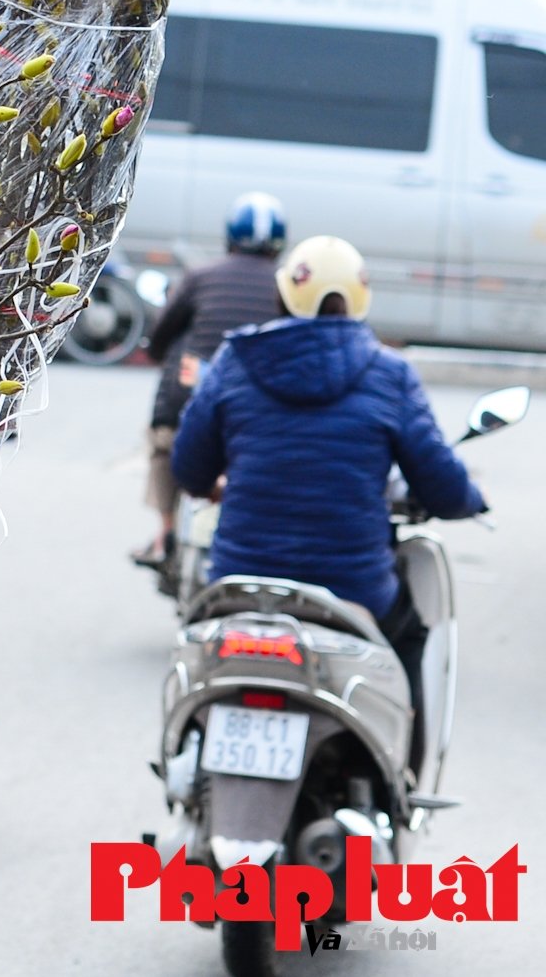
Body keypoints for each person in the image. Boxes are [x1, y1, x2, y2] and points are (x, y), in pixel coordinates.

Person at [170, 234, 485, 753]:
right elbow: (443, 488)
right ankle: (400, 778)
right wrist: (471, 498)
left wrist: (215, 483)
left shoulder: (235, 359)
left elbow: (188, 467)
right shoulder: (389, 373)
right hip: (353, 590)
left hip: (239, 582)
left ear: (283, 293)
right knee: (409, 631)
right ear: (360, 300)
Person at [133, 193, 288, 569]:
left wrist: (158, 352)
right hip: (259, 412)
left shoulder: (201, 276)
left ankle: (165, 533)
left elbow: (161, 335)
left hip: (189, 405)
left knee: (162, 442)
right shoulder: (286, 285)